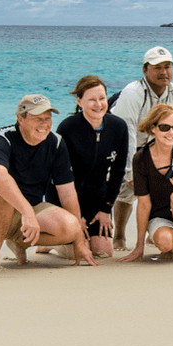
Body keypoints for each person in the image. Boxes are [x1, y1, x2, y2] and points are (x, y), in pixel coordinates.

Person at [0, 94, 99, 275]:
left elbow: (67, 193)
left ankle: (19, 242)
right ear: (20, 118)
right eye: (37, 119)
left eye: (47, 118)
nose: (44, 124)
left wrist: (79, 241)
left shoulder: (56, 143)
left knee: (71, 226)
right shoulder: (3, 138)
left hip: (28, 210)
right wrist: (27, 213)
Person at [109, 46, 173, 251]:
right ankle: (119, 236)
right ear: (145, 70)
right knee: (126, 191)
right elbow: (124, 133)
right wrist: (129, 172)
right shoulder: (132, 93)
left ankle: (154, 232)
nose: (164, 72)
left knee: (164, 187)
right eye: (157, 68)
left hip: (157, 145)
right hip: (126, 143)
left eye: (168, 66)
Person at [44, 76, 128, 258]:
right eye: (91, 99)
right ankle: (50, 242)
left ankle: (65, 236)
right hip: (66, 199)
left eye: (102, 98)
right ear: (79, 101)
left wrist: (106, 209)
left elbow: (118, 172)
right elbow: (57, 176)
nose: (98, 104)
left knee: (104, 251)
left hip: (97, 199)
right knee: (78, 253)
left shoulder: (119, 127)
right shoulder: (67, 128)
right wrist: (75, 215)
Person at [119, 104, 173, 264]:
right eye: (165, 127)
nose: (171, 133)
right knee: (165, 243)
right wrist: (139, 247)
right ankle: (170, 243)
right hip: (161, 217)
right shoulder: (141, 158)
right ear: (153, 128)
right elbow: (144, 204)